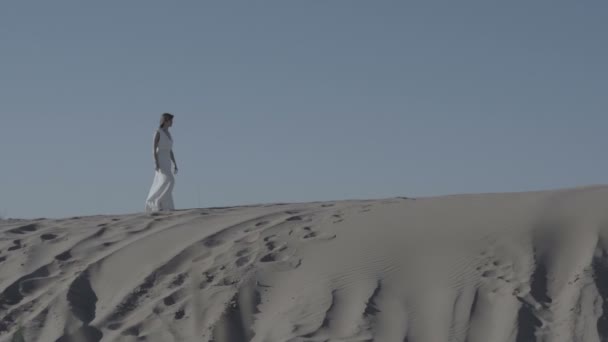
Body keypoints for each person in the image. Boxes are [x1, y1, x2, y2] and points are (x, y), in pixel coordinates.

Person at [145, 113, 178, 212]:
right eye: (171, 120)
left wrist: (175, 163)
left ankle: (161, 204)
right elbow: (153, 149)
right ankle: (157, 201)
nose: (172, 122)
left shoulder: (169, 133)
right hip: (160, 159)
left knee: (164, 182)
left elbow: (170, 150)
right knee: (170, 181)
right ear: (166, 121)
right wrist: (156, 162)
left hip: (167, 160)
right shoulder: (158, 132)